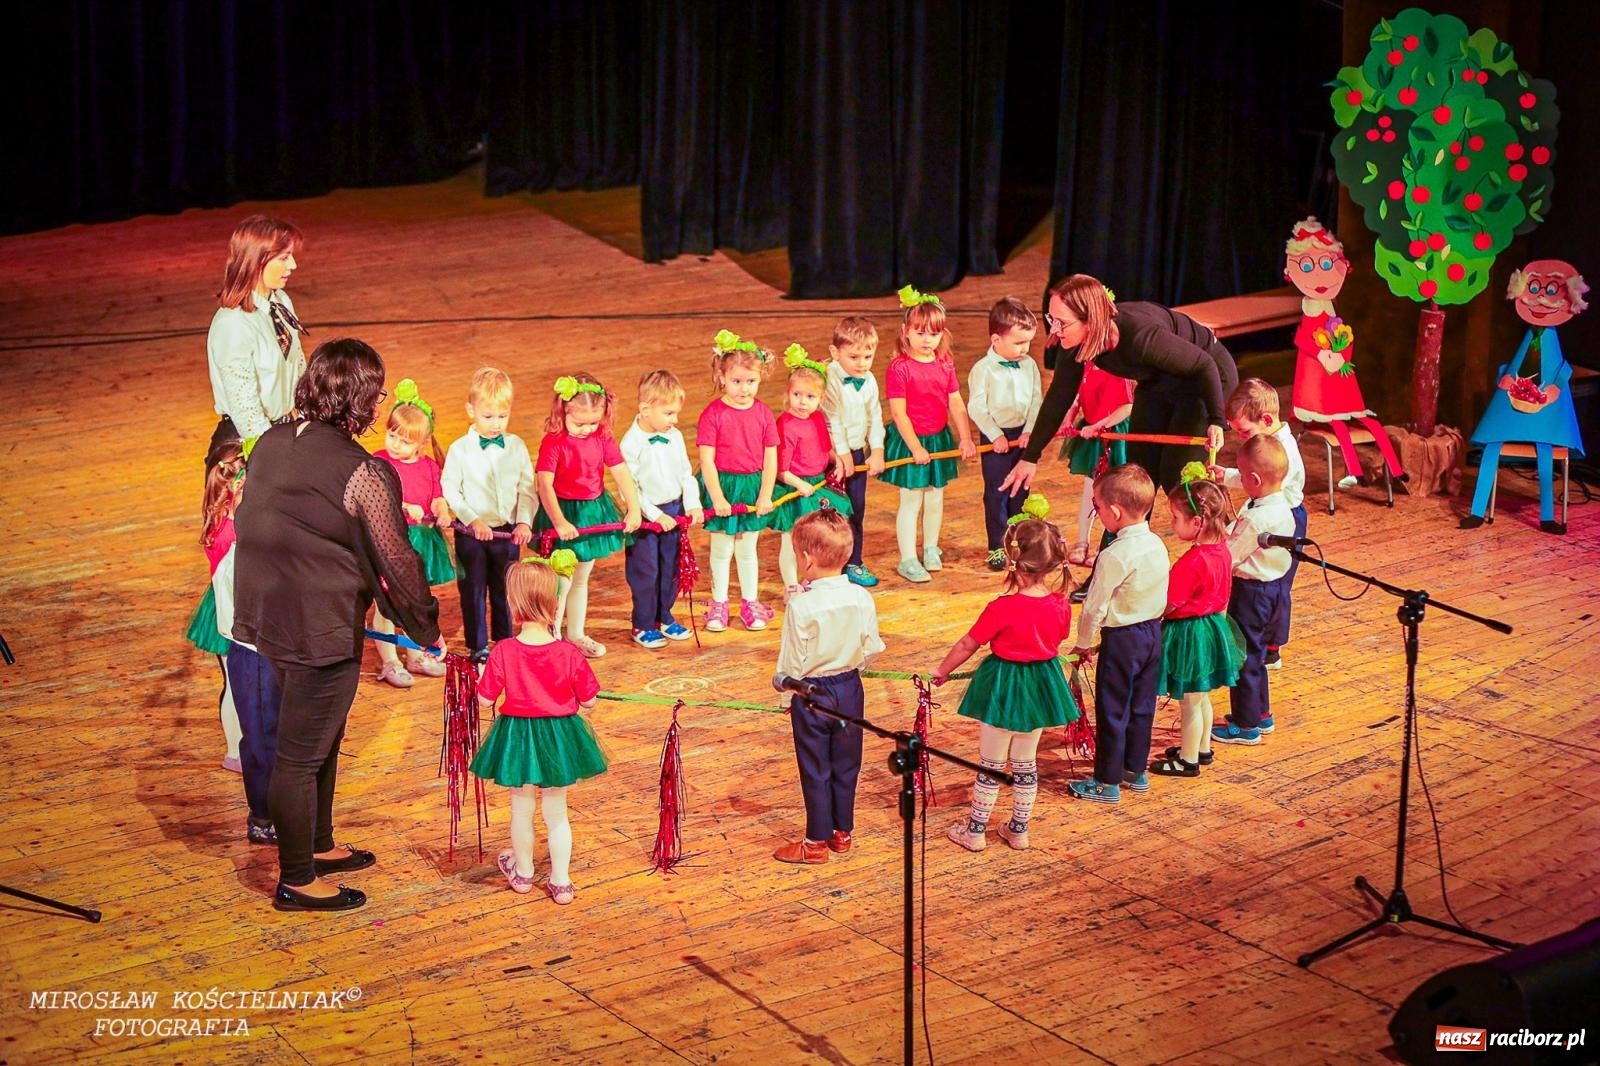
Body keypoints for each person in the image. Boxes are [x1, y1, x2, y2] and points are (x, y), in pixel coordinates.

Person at [233, 338, 444, 912]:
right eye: (375, 396)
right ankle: (297, 879)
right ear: (362, 400)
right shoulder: (364, 471)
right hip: (318, 626)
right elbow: (398, 560)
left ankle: (319, 844)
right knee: (300, 755)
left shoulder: (271, 441)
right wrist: (426, 629)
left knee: (319, 735)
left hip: (269, 615)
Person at [1000, 274, 1237, 496]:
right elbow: (1058, 398)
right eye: (1052, 319)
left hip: (1205, 380)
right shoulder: (1073, 344)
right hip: (1158, 380)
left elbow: (1204, 365)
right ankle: (1131, 528)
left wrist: (1217, 420)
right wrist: (1030, 457)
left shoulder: (1139, 336)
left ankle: (1217, 526)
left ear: (1090, 320)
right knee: (1137, 473)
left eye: (1061, 322)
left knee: (1176, 476)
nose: (1055, 330)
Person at [933, 502, 1079, 851]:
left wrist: (941, 671)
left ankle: (975, 832)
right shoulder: (1061, 604)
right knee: (1026, 763)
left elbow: (968, 643)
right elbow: (1058, 638)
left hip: (1004, 686)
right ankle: (1019, 829)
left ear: (1013, 561)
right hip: (1042, 685)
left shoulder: (1002, 607)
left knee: (991, 763)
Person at [470, 558, 608, 906]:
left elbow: (484, 701)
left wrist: (482, 676)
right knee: (556, 811)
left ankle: (524, 873)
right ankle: (561, 882)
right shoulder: (567, 652)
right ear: (555, 603)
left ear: (512, 603)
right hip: (559, 738)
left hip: (517, 739)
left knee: (521, 809)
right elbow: (590, 701)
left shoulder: (503, 651)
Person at [771, 508, 884, 863]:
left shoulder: (802, 606)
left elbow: (792, 661)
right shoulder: (862, 597)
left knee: (815, 766)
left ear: (806, 559)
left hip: (812, 694)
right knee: (847, 763)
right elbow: (872, 647)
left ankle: (815, 842)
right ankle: (841, 832)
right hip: (850, 689)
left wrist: (783, 692)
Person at [1461, 259, 1589, 535]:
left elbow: (1563, 367)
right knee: (1491, 448)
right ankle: (1477, 512)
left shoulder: (1550, 336)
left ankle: (1547, 517)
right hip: (1511, 409)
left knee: (1545, 452)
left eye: (1550, 291)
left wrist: (1557, 386)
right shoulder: (1528, 336)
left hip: (1545, 412)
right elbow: (1512, 366)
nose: (1541, 297)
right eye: (1534, 288)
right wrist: (1503, 378)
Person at [1067, 464, 1168, 804]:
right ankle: (1134, 770)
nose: (1096, 514)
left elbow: (1094, 607)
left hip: (1123, 640)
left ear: (1114, 511)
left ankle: (1106, 781)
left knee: (1113, 709)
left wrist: (1083, 643)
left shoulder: (1114, 555)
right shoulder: (1157, 544)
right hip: (1152, 634)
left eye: (1096, 507)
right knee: (1142, 706)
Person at [1284, 217, 1405, 484]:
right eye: (1308, 266)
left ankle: (1397, 471)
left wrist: (1341, 356)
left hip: (1340, 385)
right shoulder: (1311, 311)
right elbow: (1303, 339)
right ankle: (1354, 471)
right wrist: (1322, 355)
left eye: (1327, 265)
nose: (1319, 275)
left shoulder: (1330, 311)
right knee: (1338, 426)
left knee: (1373, 425)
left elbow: (1344, 338)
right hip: (1317, 394)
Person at [533, 373, 643, 658]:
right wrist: (559, 521)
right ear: (563, 411)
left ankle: (576, 634)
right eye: (580, 423)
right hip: (563, 511)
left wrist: (633, 507)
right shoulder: (554, 441)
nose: (587, 429)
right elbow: (544, 484)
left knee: (581, 577)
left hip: (592, 510)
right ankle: (551, 635)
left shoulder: (602, 436)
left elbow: (620, 471)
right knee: (561, 580)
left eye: (593, 422)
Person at [207, 444, 283, 846]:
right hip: (252, 651)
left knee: (277, 731)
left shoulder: (253, 533)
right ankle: (263, 815)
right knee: (260, 736)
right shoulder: (231, 541)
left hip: (274, 647)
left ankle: (281, 807)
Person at [877, 286, 978, 583]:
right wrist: (915, 447)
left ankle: (931, 547)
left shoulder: (944, 363)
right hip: (911, 441)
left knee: (935, 498)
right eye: (920, 333)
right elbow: (899, 413)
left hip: (937, 439)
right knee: (911, 501)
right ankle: (908, 558)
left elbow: (955, 402)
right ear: (905, 331)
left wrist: (965, 436)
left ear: (942, 334)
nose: (926, 340)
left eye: (933, 334)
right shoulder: (899, 368)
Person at [1149, 467, 1243, 779]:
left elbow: (1170, 602)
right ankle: (1202, 748)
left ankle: (1187, 760)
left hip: (1190, 633)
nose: (1171, 523)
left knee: (1190, 701)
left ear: (1197, 522)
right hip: (1213, 626)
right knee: (1201, 696)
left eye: (1175, 518)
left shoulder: (1193, 561)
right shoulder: (1222, 551)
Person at [1209, 379, 1307, 669]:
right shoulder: (1272, 442)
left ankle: (1271, 648)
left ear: (1266, 419)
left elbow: (1265, 485)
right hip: (1272, 515)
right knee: (1268, 581)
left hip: (1285, 519)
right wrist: (1227, 476)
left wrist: (1230, 479)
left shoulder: (1283, 451)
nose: (1242, 439)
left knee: (1278, 583)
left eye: (1245, 432)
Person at [441, 367, 536, 664]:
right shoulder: (459, 450)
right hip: (472, 534)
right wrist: (472, 519)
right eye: (488, 416)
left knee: (504, 589)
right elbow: (451, 489)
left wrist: (524, 521)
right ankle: (478, 644)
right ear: (471, 411)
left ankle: (505, 640)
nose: (496, 424)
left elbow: (527, 488)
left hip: (507, 532)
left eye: (502, 416)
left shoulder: (517, 447)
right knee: (473, 589)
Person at [1212, 435, 1295, 747]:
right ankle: (1261, 713)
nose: (1242, 481)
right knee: (1257, 654)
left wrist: (1214, 532)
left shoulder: (1255, 518)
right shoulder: (1282, 505)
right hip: (1275, 591)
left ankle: (1246, 725)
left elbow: (1230, 555)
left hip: (1251, 593)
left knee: (1243, 656)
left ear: (1255, 480)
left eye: (1244, 476)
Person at [371, 379, 454, 687]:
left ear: (421, 443)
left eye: (404, 441)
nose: (395, 444)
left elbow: (437, 496)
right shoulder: (379, 461)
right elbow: (376, 499)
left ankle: (415, 655)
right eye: (392, 435)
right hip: (390, 542)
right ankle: (389, 661)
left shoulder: (430, 467)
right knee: (387, 603)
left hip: (420, 541)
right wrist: (405, 506)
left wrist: (441, 510)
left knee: (415, 602)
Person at [206, 215, 308, 458]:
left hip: (284, 430)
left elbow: (297, 364)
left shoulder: (281, 302)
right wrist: (274, 454)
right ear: (257, 261)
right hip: (248, 442)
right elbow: (245, 408)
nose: (293, 265)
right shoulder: (233, 324)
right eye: (284, 258)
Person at [697, 330, 779, 632]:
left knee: (747, 549)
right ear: (722, 376)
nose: (744, 389)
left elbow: (770, 458)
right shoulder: (713, 414)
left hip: (751, 487)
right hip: (723, 486)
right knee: (721, 549)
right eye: (737, 381)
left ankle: (750, 602)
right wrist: (718, 498)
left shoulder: (764, 413)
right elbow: (707, 460)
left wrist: (765, 494)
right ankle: (719, 604)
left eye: (751, 381)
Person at [620, 370, 703, 649]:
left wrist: (692, 504)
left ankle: (664, 616)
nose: (675, 420)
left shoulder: (674, 436)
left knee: (671, 567)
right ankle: (643, 624)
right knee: (646, 572)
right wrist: (655, 515)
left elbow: (685, 474)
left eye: (676, 413)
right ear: (645, 409)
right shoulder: (630, 444)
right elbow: (629, 488)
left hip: (674, 511)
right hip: (646, 517)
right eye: (668, 413)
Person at [967, 297, 1044, 571]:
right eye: (1019, 342)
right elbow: (976, 407)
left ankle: (1019, 540)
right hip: (996, 438)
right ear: (996, 340)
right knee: (997, 492)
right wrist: (995, 434)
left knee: (1020, 490)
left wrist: (1030, 431)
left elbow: (1036, 400)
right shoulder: (983, 370)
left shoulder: (1029, 365)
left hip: (1023, 435)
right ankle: (997, 546)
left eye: (1028, 342)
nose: (1025, 349)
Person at [771, 345, 852, 596]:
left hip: (817, 484)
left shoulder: (817, 419)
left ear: (821, 398)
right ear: (788, 393)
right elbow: (779, 469)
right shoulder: (786, 424)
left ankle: (815, 578)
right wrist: (799, 484)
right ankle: (791, 586)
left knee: (820, 536)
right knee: (792, 541)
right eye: (797, 395)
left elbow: (825, 449)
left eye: (810, 397)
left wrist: (837, 461)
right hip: (796, 489)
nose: (803, 402)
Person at [188, 437, 246, 772]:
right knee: (236, 684)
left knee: (237, 683)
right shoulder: (231, 529)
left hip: (234, 604)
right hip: (229, 609)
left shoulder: (218, 518)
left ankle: (240, 747)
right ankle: (235, 750)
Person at [822, 316, 885, 587]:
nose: (862, 363)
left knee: (856, 509)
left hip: (857, 455)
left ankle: (853, 562)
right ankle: (826, 565)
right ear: (835, 352)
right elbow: (832, 419)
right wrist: (842, 453)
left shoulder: (869, 380)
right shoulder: (830, 378)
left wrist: (877, 449)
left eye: (868, 357)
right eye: (854, 357)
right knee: (830, 512)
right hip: (832, 457)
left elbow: (875, 416)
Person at [1060, 358, 1135, 566]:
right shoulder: (1086, 364)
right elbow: (1077, 397)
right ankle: (1082, 540)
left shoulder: (1119, 366)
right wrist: (1068, 419)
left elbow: (1127, 406)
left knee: (1112, 491)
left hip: (1114, 434)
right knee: (1090, 488)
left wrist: (1100, 426)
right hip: (1092, 433)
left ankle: (1106, 542)